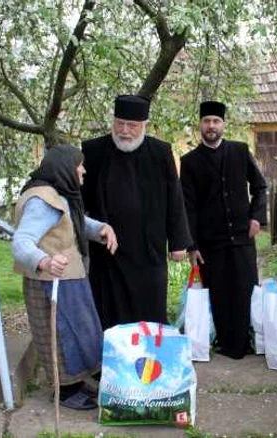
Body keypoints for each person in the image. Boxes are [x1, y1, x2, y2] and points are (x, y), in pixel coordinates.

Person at [12, 144, 118, 410]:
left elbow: (73, 220)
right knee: (60, 336)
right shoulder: (42, 201)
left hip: (69, 278)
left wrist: (101, 228)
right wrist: (45, 261)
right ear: (65, 168)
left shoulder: (56, 194)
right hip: (51, 282)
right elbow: (22, 242)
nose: (83, 170)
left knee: (82, 332)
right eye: (79, 165)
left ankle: (77, 380)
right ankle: (66, 391)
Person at [82, 95, 192, 330]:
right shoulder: (93, 151)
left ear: (144, 125)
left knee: (149, 311)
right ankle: (110, 362)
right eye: (120, 123)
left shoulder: (160, 152)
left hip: (148, 250)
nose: (124, 131)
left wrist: (178, 242)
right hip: (107, 251)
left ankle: (150, 361)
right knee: (107, 310)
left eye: (132, 126)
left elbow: (174, 198)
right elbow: (80, 200)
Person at [180, 100, 267, 359]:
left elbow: (260, 186)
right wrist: (192, 245)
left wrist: (256, 217)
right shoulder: (190, 161)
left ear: (224, 125)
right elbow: (188, 206)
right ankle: (227, 344)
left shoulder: (240, 151)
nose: (211, 126)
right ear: (200, 125)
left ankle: (247, 341)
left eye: (216, 121)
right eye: (207, 121)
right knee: (219, 293)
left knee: (245, 289)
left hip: (242, 237)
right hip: (210, 242)